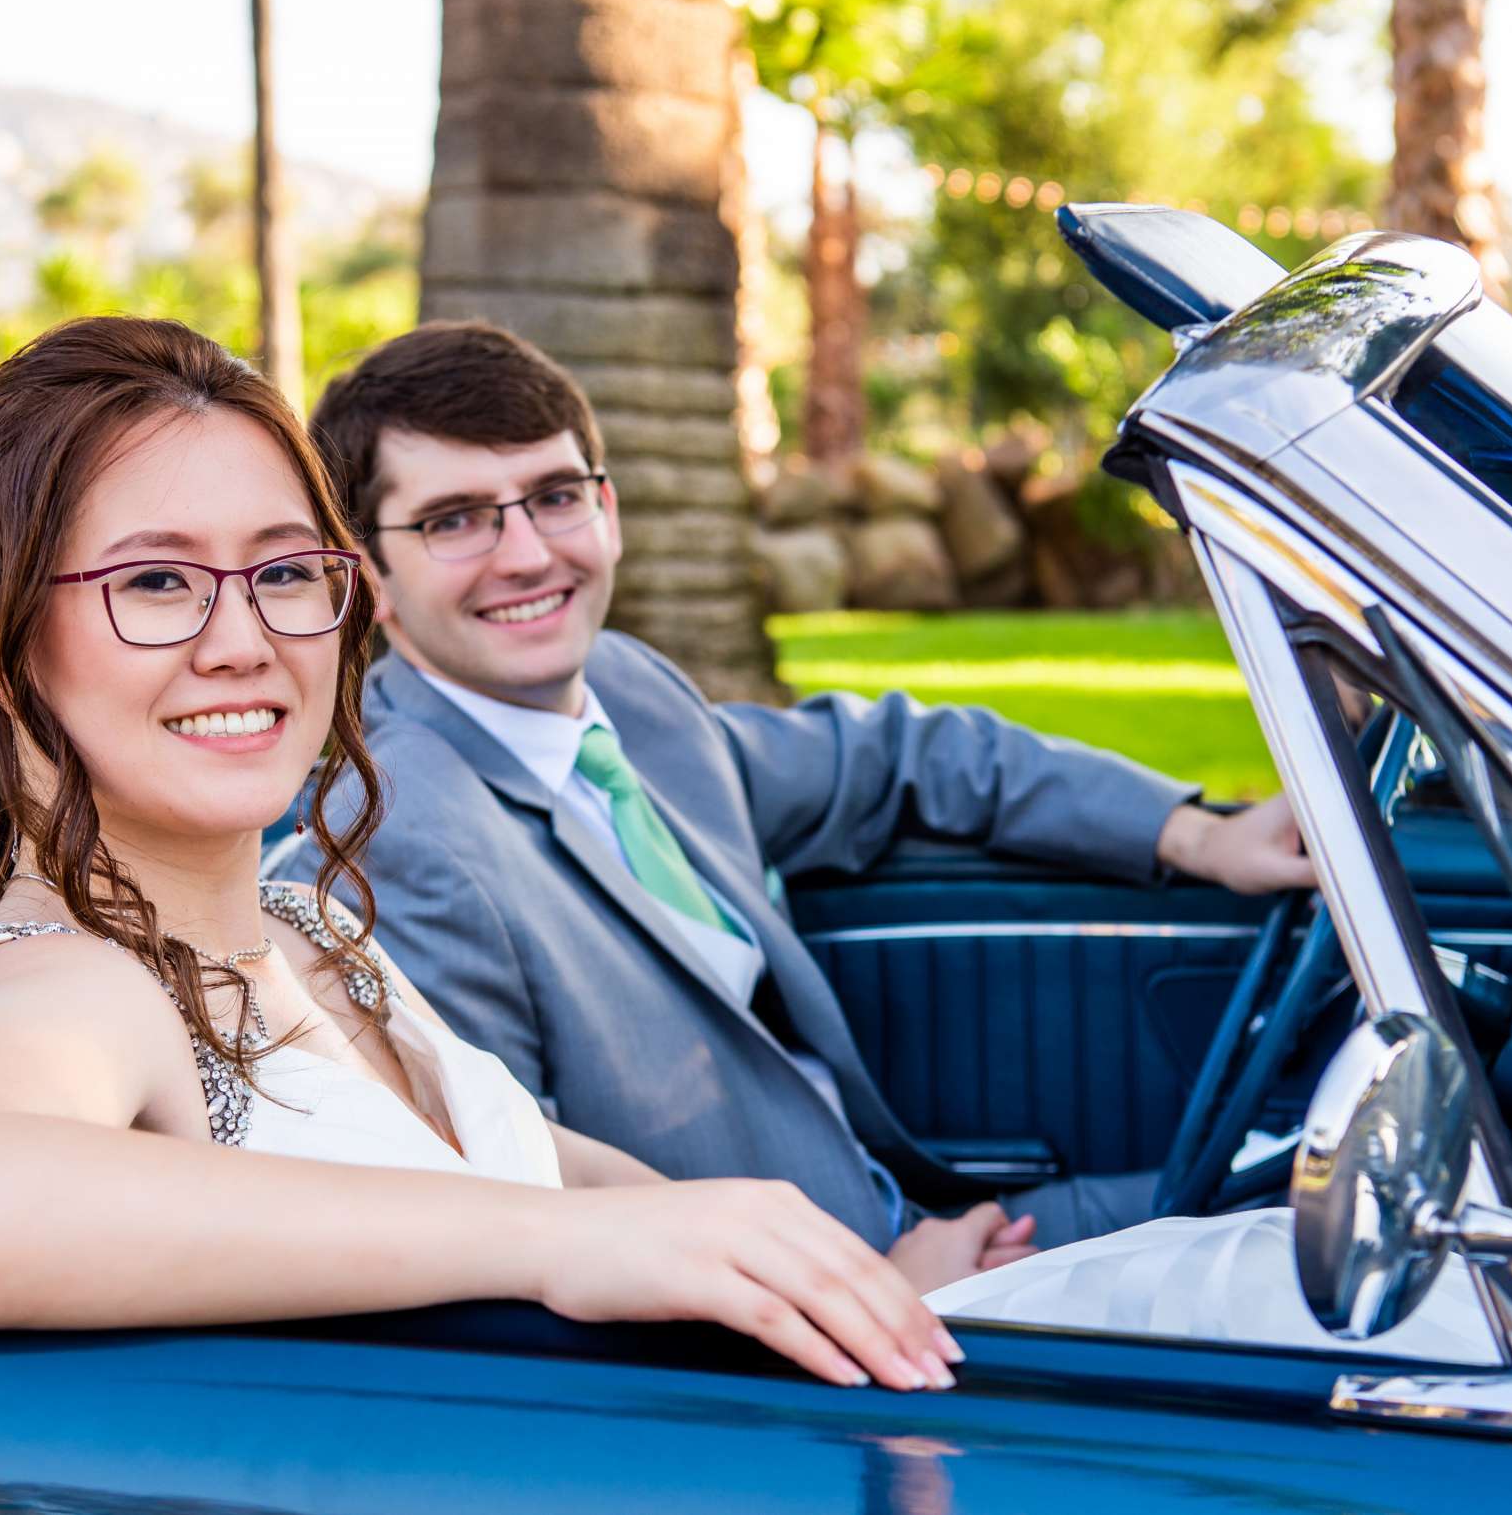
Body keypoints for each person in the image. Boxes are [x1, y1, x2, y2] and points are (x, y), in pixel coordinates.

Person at [0, 316, 968, 1394]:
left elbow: (526, 1166)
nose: (244, 642)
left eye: (286, 571)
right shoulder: (79, 986)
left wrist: (814, 1270)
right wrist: (563, 1247)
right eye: (155, 582)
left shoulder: (308, 932)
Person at [281, 321, 1319, 1289]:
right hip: (810, 1327)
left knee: (1319, 1200)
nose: (526, 553)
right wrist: (868, 1288)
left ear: (607, 510)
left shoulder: (631, 694)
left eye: (555, 495)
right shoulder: (399, 837)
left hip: (915, 1226)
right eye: (456, 520)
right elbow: (521, 1209)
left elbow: (898, 755)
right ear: (367, 573)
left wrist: (1200, 836)